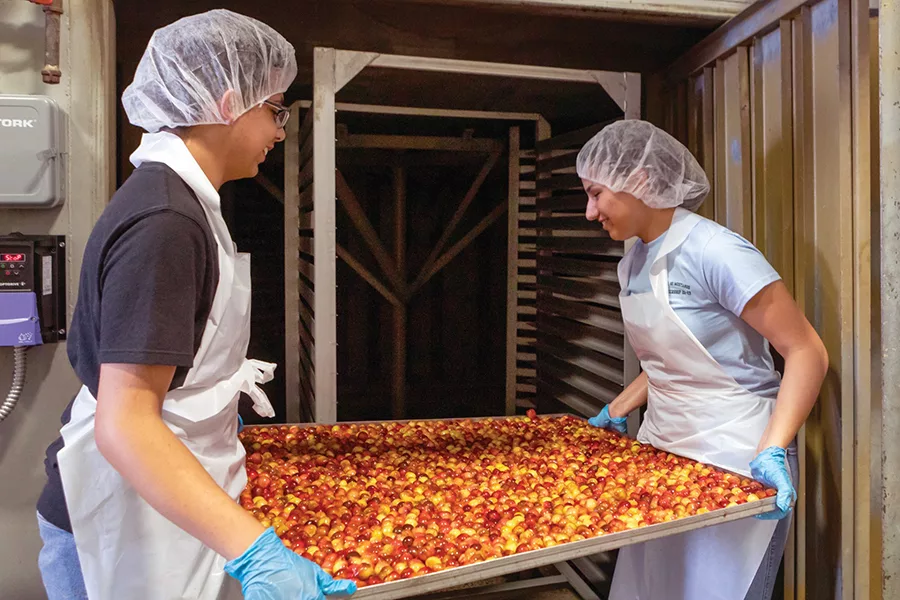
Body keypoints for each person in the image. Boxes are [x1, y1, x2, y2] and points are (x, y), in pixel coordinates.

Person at [34, 10, 356, 600]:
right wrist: (255, 552)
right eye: (275, 110)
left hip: (157, 502)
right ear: (230, 102)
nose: (279, 132)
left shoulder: (185, 202)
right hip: (118, 512)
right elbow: (125, 422)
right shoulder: (165, 220)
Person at [578, 120, 827, 600]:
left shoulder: (717, 251)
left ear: (641, 182)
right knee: (653, 588)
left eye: (596, 194)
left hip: (733, 453)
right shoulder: (632, 262)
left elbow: (805, 351)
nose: (590, 212)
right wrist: (619, 407)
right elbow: (676, 356)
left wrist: (772, 448)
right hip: (662, 450)